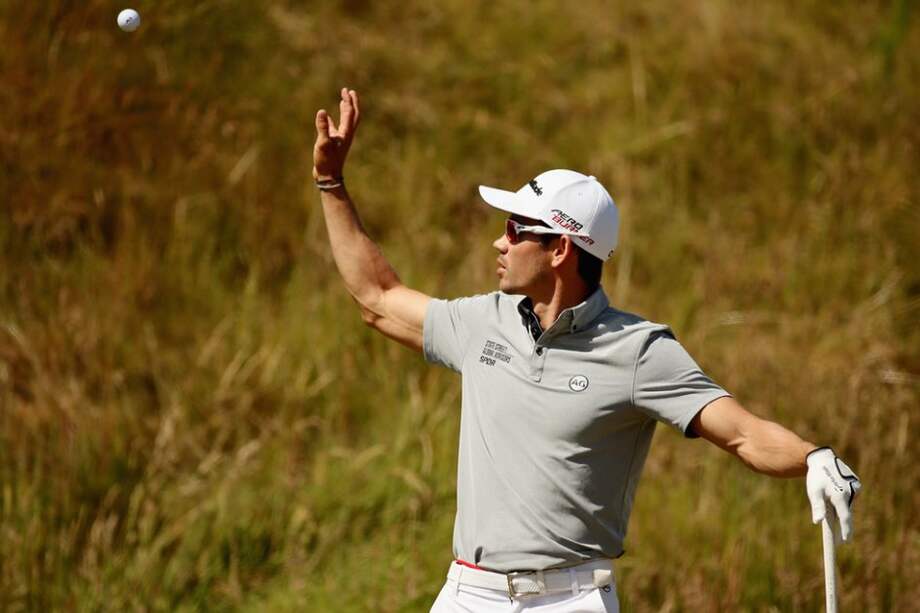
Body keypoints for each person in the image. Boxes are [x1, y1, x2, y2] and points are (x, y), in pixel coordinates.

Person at [311, 88, 862, 612]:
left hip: (570, 599)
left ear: (560, 248)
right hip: (468, 591)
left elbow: (742, 433)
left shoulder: (639, 351)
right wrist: (330, 183)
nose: (498, 242)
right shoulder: (483, 322)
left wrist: (811, 456)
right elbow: (376, 298)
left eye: (514, 229)